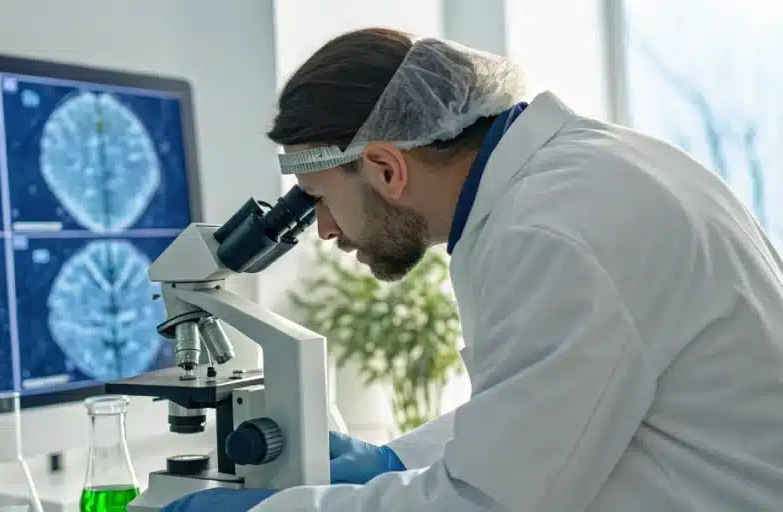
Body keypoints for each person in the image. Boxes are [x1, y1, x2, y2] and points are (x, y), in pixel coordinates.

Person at [162, 27, 783, 511]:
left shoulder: (547, 234)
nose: (323, 231)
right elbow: (542, 403)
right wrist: (394, 462)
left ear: (385, 167)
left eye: (319, 199)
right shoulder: (587, 167)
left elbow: (486, 501)